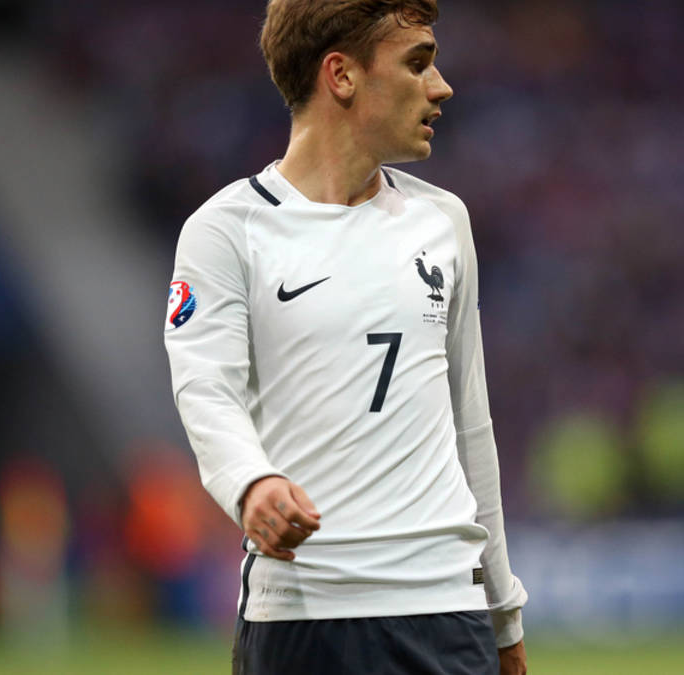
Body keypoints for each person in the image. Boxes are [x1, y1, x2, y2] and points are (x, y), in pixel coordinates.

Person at [163, 1, 528, 673]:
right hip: (302, 614)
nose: (441, 87)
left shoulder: (442, 221)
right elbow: (205, 387)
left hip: (445, 613)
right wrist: (251, 483)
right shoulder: (226, 230)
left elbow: (470, 425)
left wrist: (503, 611)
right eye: (417, 63)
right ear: (342, 75)